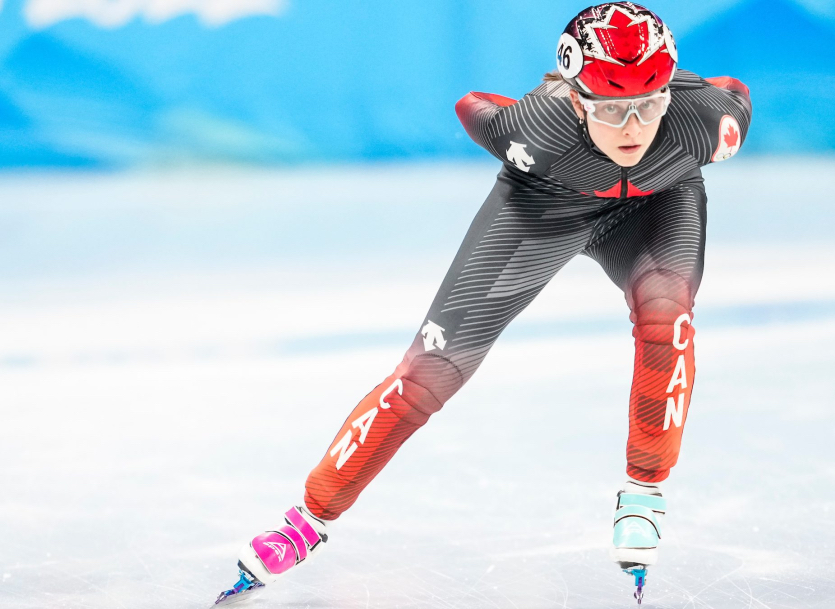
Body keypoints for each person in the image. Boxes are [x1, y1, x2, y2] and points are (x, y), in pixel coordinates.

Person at [214, 2, 751, 605]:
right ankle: (307, 520)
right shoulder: (533, 129)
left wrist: (690, 111)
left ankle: (645, 491)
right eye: (610, 108)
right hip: (541, 211)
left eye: (649, 104)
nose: (633, 126)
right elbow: (474, 107)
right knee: (428, 372)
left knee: (668, 314)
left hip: (658, 206)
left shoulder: (704, 123)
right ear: (575, 99)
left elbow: (734, 91)